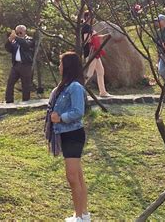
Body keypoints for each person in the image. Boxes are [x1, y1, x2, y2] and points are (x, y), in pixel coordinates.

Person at [45, 52, 90, 222]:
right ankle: (83, 214)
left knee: (72, 177)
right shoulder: (65, 86)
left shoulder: (75, 87)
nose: (59, 66)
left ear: (68, 66)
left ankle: (78, 217)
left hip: (73, 134)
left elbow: (78, 111)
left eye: (61, 63)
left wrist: (60, 117)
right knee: (77, 176)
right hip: (64, 134)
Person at [81, 11, 111, 97]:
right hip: (90, 52)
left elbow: (95, 37)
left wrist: (105, 36)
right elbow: (87, 40)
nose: (92, 19)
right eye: (91, 17)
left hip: (95, 52)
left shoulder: (90, 27)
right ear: (87, 18)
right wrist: (94, 37)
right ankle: (79, 89)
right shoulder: (85, 27)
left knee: (100, 71)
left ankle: (103, 92)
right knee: (89, 73)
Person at [5, 24, 35, 103]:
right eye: (17, 33)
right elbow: (8, 48)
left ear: (25, 32)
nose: (18, 34)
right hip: (16, 65)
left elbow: (26, 45)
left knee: (25, 85)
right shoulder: (15, 41)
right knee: (10, 83)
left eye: (20, 33)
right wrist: (9, 40)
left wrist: (16, 37)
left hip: (26, 65)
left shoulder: (30, 39)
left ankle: (26, 102)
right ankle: (9, 101)